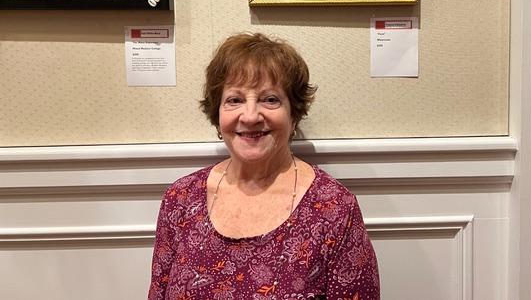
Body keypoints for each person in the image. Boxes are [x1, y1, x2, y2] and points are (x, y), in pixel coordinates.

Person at [148, 33, 380, 300]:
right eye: (234, 100)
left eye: (270, 99)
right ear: (217, 114)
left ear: (294, 114)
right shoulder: (180, 199)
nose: (250, 116)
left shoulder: (334, 209)